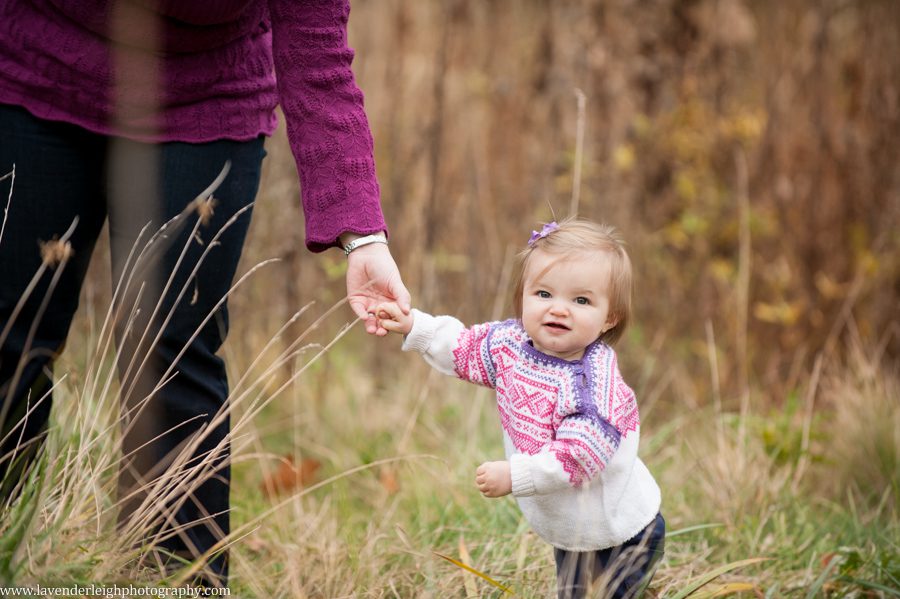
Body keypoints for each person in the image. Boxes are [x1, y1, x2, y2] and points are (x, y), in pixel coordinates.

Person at [0, 0, 409, 588]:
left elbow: (316, 52)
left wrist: (362, 235)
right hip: (38, 66)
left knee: (171, 351)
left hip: (202, 98)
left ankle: (173, 580)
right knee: (11, 332)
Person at [376, 218, 664, 598]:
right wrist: (415, 325)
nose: (559, 309)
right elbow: (464, 348)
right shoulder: (512, 345)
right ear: (523, 296)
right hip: (573, 527)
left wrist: (516, 475)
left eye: (581, 300)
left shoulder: (593, 382)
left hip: (622, 530)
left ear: (609, 316)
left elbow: (580, 454)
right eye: (544, 294)